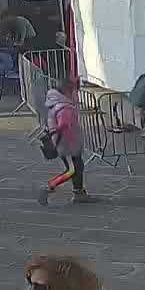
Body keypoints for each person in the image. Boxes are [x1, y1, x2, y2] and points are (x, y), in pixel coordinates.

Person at [37, 77, 93, 205]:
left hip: (66, 144)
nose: (76, 95)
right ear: (68, 92)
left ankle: (79, 192)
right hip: (67, 145)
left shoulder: (55, 103)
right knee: (72, 169)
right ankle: (50, 186)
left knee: (77, 167)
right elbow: (63, 124)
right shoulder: (65, 107)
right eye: (75, 92)